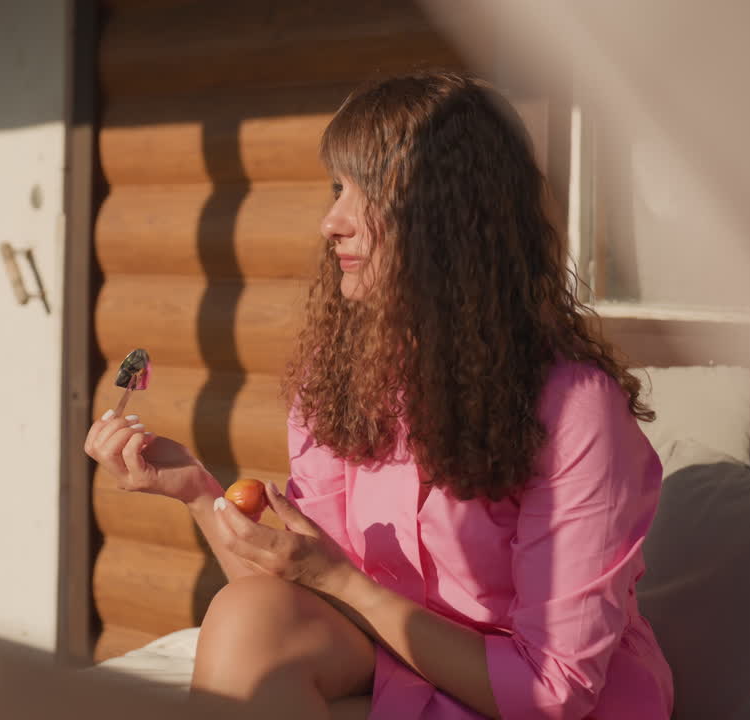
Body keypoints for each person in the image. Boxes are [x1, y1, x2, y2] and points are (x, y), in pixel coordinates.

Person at [84, 71, 673, 720]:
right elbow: (295, 604)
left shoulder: (574, 409)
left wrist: (340, 582)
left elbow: (551, 691)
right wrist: (197, 492)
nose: (331, 222)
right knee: (248, 616)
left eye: (371, 192)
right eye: (338, 188)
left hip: (527, 697)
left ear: (453, 218)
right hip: (400, 666)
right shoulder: (338, 380)